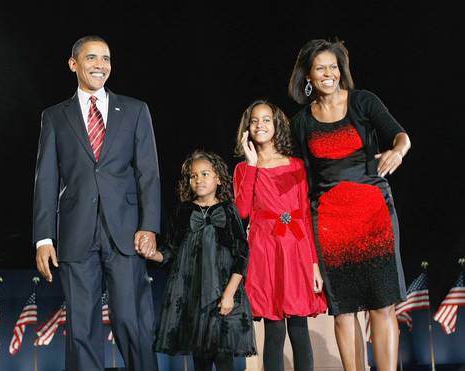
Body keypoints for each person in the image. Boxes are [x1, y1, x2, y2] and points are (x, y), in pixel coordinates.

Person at [33, 35, 161, 371]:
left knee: (133, 322)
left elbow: (148, 173)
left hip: (126, 232)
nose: (100, 65)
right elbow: (45, 179)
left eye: (105, 58)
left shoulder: (135, 110)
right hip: (76, 233)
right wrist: (44, 238)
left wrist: (149, 225)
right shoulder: (54, 117)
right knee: (82, 328)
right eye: (91, 58)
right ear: (74, 64)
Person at [288, 38, 411, 371]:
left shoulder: (362, 102)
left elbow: (400, 135)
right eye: (320, 68)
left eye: (333, 66)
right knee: (343, 311)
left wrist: (397, 151)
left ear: (340, 71)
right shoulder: (300, 123)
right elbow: (303, 182)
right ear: (308, 77)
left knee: (382, 306)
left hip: (374, 215)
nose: (329, 73)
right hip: (329, 222)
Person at [138, 150, 256, 371]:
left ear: (218, 178)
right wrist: (152, 254)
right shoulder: (183, 211)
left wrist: (230, 293)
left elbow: (241, 253)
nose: (199, 180)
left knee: (223, 358)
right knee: (200, 360)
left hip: (223, 294)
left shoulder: (229, 211)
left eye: (204, 174)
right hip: (193, 296)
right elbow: (171, 251)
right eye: (193, 176)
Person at [233, 100, 327, 371]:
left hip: (294, 248)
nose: (260, 125)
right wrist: (251, 165)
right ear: (247, 129)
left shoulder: (296, 165)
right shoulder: (243, 169)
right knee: (274, 332)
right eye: (254, 121)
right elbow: (241, 212)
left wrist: (314, 265)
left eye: (266, 120)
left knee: (299, 328)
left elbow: (305, 218)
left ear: (276, 126)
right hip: (264, 250)